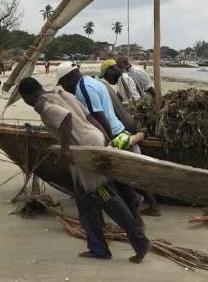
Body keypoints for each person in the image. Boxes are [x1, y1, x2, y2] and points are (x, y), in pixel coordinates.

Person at [18, 77, 151, 262]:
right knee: (84, 201)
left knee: (106, 196)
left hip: (83, 150)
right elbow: (90, 117)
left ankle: (140, 241)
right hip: (92, 141)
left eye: (25, 99)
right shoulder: (62, 94)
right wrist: (104, 140)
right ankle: (98, 248)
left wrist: (64, 150)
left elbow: (65, 118)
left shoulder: (45, 106)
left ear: (27, 95)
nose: (27, 103)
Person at [55, 62, 147, 225]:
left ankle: (135, 212)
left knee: (114, 179)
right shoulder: (93, 81)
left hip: (112, 134)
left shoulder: (83, 89)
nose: (64, 88)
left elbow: (98, 117)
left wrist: (107, 142)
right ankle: (135, 213)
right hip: (118, 130)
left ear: (68, 79)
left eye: (63, 83)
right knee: (119, 178)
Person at [100, 63, 163, 217]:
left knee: (134, 167)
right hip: (131, 125)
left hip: (132, 126)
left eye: (107, 76)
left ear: (112, 70)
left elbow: (135, 101)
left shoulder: (123, 79)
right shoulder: (123, 79)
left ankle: (149, 204)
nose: (108, 80)